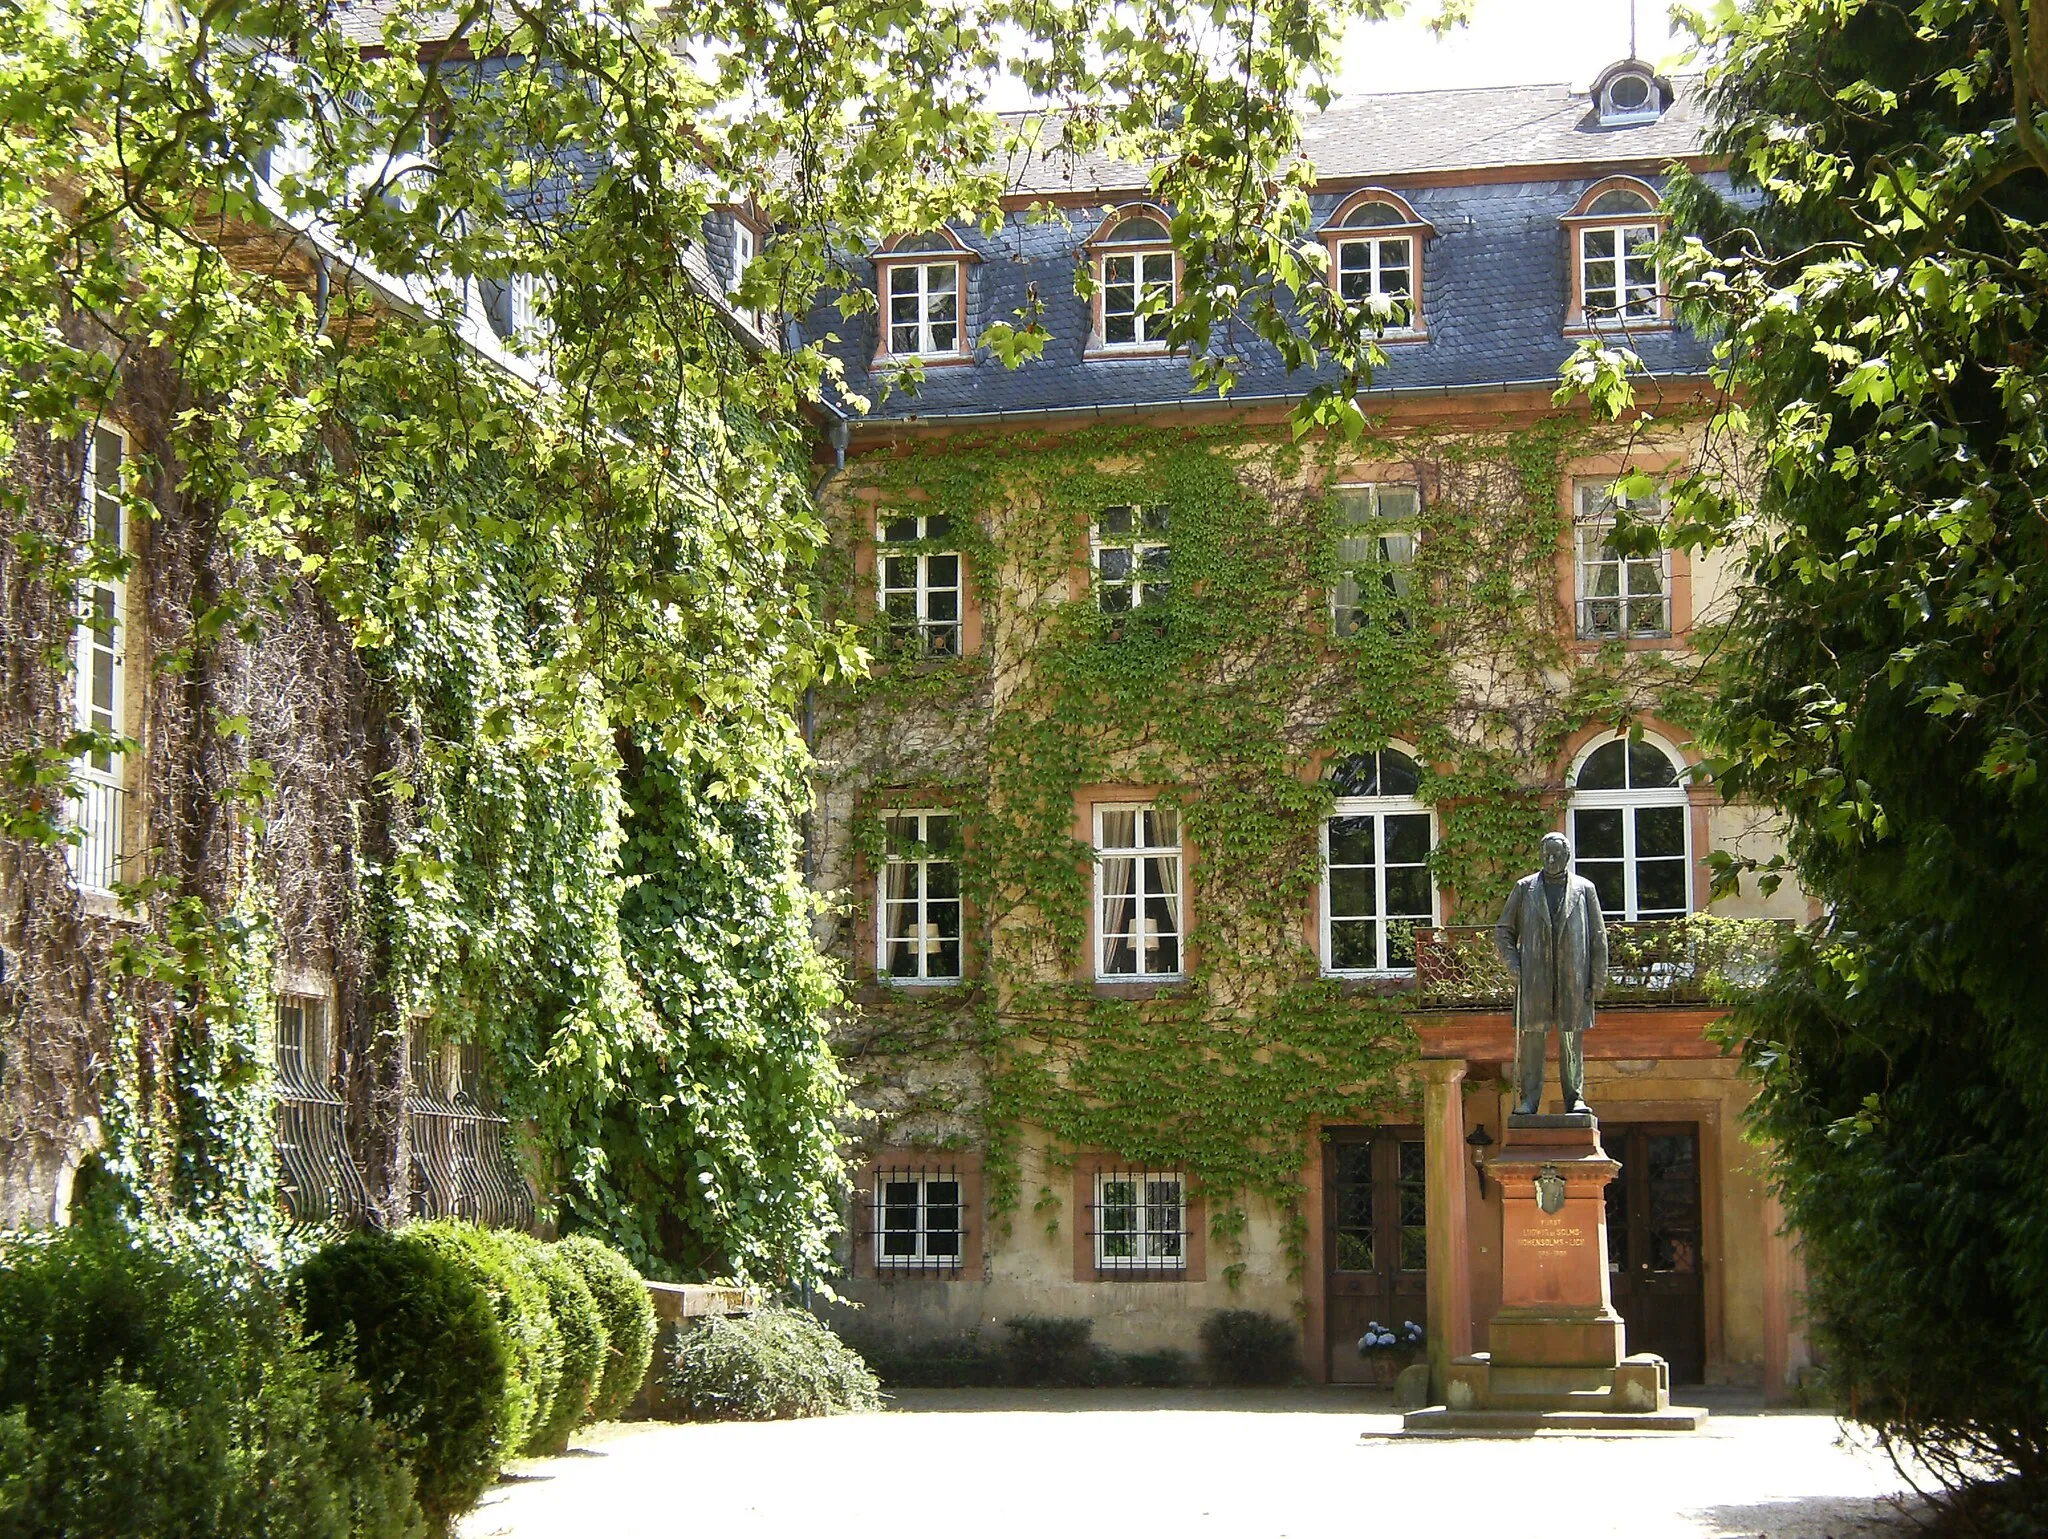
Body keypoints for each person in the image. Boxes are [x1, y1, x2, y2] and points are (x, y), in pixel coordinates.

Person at [1493, 832, 1608, 1116]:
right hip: (1534, 977)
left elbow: (1598, 936)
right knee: (1533, 1039)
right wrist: (1513, 965)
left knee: (1571, 1038)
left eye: (1556, 855)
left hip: (1574, 976)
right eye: (1546, 855)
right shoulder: (1525, 888)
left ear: (1568, 856)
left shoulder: (1585, 889)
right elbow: (1503, 930)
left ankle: (1575, 1098)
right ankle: (1529, 1099)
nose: (1551, 860)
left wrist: (1598, 979)